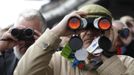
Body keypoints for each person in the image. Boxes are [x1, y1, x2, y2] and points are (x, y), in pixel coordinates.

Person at [14, 4, 134, 75]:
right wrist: (56, 32)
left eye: (99, 27)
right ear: (74, 31)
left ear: (110, 31)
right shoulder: (57, 61)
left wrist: (108, 57)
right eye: (84, 26)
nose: (90, 32)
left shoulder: (127, 63)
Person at [0, 9, 47, 75]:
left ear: (44, 34)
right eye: (20, 35)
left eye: (30, 34)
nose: (25, 42)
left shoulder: (56, 55)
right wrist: (1, 46)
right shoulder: (4, 61)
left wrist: (46, 46)